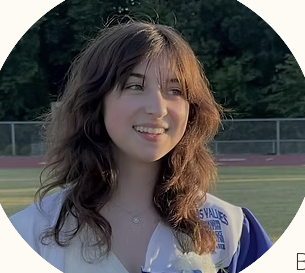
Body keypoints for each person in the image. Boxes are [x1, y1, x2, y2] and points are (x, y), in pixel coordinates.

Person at [9, 18, 272, 273]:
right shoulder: (29, 235)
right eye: (136, 86)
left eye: (176, 90)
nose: (158, 109)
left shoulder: (232, 232)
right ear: (96, 100)